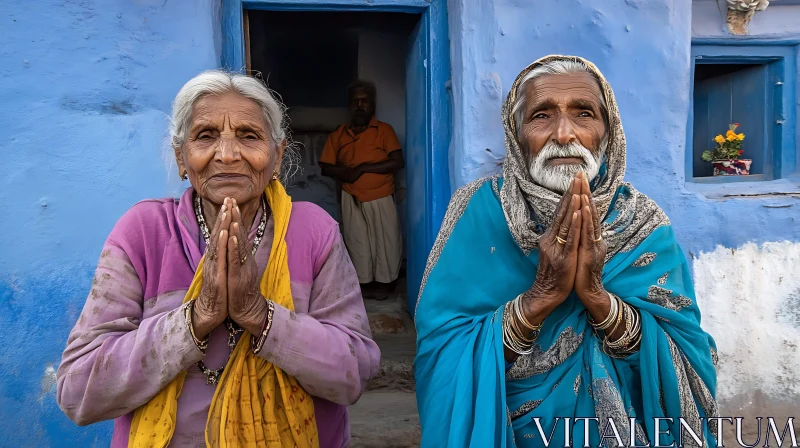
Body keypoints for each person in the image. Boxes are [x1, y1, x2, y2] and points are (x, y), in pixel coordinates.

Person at [56, 70, 380, 448]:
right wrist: (196, 318)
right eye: (206, 136)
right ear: (181, 157)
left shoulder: (314, 231)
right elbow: (78, 391)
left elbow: (355, 372)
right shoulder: (143, 232)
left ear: (276, 157)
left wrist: (260, 316)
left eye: (248, 135)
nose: (227, 155)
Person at [414, 55, 719, 447]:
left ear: (608, 133)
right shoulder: (476, 212)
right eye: (541, 115)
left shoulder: (642, 223)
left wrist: (596, 297)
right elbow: (441, 353)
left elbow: (688, 354)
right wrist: (539, 299)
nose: (563, 133)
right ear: (516, 132)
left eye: (584, 114)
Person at [319, 80, 404, 300]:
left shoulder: (384, 130)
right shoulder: (339, 134)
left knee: (385, 241)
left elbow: (397, 161)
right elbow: (325, 167)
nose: (360, 105)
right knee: (358, 242)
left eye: (364, 101)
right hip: (351, 195)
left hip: (380, 194)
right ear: (349, 105)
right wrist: (345, 172)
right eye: (355, 101)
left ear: (372, 105)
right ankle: (364, 284)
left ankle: (385, 284)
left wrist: (364, 168)